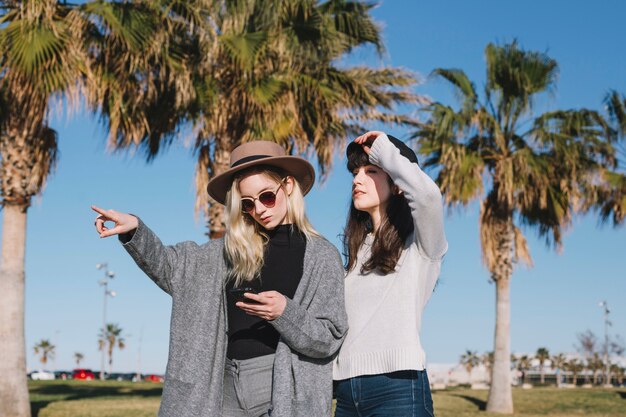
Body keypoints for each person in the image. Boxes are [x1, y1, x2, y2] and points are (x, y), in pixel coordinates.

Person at [92, 140, 348, 417]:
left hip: (281, 383)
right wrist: (135, 230)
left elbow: (330, 337)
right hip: (221, 384)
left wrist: (284, 313)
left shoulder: (321, 256)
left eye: (267, 197)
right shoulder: (224, 252)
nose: (259, 209)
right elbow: (170, 267)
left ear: (287, 186)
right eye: (248, 204)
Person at [333, 131, 448, 417]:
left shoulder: (420, 246)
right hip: (346, 394)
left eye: (370, 171)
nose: (357, 180)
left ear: (397, 184)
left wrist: (383, 148)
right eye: (355, 172)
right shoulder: (355, 253)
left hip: (397, 387)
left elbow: (429, 197)